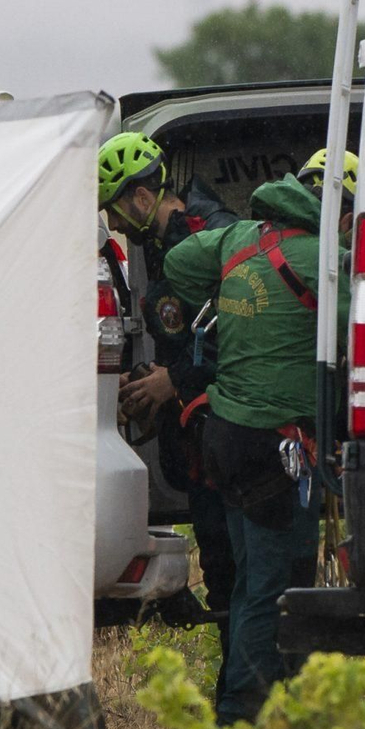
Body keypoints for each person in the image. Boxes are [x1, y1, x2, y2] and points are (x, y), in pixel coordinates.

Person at [162, 160, 355, 726]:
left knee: (255, 579)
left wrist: (226, 292)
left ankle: (279, 706)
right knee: (273, 587)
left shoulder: (241, 239)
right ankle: (241, 719)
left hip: (224, 438)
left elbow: (176, 260)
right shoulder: (321, 264)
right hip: (278, 450)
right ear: (341, 211)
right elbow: (360, 322)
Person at [96, 131, 240, 692]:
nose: (115, 225)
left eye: (114, 209)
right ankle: (237, 697)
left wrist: (172, 381)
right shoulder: (159, 248)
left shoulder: (211, 236)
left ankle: (244, 703)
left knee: (236, 570)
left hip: (228, 428)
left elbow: (235, 336)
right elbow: (184, 339)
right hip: (197, 434)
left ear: (137, 198)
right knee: (223, 570)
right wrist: (151, 383)